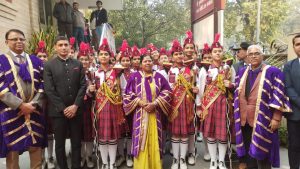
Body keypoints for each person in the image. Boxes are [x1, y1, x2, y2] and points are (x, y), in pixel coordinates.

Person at [234, 44, 291, 169]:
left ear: (262, 55)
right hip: (244, 120)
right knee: (249, 153)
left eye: (257, 53)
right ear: (247, 57)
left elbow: (279, 95)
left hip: (263, 120)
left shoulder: (273, 72)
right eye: (250, 54)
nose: (253, 56)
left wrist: (276, 118)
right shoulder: (242, 72)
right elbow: (237, 93)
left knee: (264, 153)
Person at [0, 29, 47, 169]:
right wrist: (21, 105)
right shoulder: (1, 61)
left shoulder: (36, 60)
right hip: (12, 111)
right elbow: (1, 87)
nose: (19, 42)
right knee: (13, 150)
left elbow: (44, 84)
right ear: (6, 42)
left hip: (34, 110)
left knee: (35, 147)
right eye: (14, 39)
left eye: (21, 39)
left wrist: (34, 104)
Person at [43, 36, 86, 169]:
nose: (63, 47)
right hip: (57, 112)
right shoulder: (49, 65)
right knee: (60, 144)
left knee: (76, 142)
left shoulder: (77, 64)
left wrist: (75, 106)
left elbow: (83, 86)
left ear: (70, 47)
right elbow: (49, 90)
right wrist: (63, 108)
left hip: (76, 110)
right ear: (55, 47)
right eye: (60, 45)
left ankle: (76, 166)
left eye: (65, 45)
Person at [123, 53, 172, 169]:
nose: (148, 63)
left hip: (156, 115)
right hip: (140, 114)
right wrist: (140, 103)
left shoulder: (159, 77)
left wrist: (155, 103)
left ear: (153, 62)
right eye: (145, 61)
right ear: (140, 64)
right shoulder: (134, 77)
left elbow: (168, 92)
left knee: (156, 139)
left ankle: (155, 165)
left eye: (149, 61)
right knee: (140, 140)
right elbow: (127, 93)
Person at [197, 34, 235, 169]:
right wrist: (199, 106)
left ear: (223, 52)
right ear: (211, 53)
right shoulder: (204, 69)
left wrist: (229, 84)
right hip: (209, 105)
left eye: (219, 51)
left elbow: (234, 85)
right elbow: (201, 89)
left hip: (224, 104)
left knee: (223, 134)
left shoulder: (229, 68)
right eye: (215, 51)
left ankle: (221, 161)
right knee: (211, 135)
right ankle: (213, 160)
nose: (217, 53)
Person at [94, 38, 123, 169]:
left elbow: (123, 88)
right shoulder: (93, 73)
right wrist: (89, 90)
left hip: (113, 108)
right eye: (101, 54)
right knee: (102, 137)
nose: (104, 56)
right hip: (99, 108)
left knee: (112, 137)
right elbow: (90, 92)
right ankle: (104, 163)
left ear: (110, 56)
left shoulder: (117, 72)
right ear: (98, 56)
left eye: (106, 54)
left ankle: (112, 163)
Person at [168, 39, 198, 169]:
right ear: (172, 57)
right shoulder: (169, 71)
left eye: (181, 53)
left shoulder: (190, 70)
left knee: (185, 132)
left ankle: (182, 159)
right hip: (174, 105)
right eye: (176, 54)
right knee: (175, 133)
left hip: (187, 105)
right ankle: (175, 159)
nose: (179, 56)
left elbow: (194, 87)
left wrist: (195, 89)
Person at [34, 40, 56, 169]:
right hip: (36, 105)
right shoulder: (32, 70)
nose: (42, 58)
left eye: (44, 56)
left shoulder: (51, 70)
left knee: (49, 133)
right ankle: (40, 158)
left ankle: (50, 157)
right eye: (39, 56)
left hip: (50, 105)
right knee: (38, 133)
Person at [75, 42, 95, 168]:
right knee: (79, 134)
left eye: (86, 59)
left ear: (89, 61)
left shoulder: (93, 74)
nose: (83, 61)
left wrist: (93, 90)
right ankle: (82, 156)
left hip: (90, 107)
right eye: (81, 59)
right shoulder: (73, 74)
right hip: (77, 106)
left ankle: (89, 156)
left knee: (89, 134)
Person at [283, 34, 300, 169]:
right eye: (297, 44)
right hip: (295, 114)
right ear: (294, 47)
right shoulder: (288, 66)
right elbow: (288, 88)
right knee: (294, 145)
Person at [183, 30, 197, 166]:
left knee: (192, 128)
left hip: (194, 100)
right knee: (182, 128)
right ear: (183, 49)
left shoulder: (199, 65)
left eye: (191, 48)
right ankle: (182, 154)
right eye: (187, 47)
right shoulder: (178, 64)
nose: (189, 50)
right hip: (181, 100)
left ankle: (191, 152)